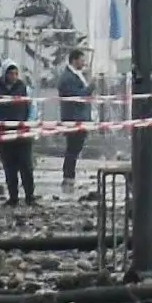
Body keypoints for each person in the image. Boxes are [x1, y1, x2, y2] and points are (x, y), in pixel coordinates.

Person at [0, 61, 36, 206]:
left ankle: (30, 196)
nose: (13, 76)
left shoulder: (24, 88)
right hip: (4, 134)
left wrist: (29, 124)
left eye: (16, 73)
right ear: (5, 74)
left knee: (26, 166)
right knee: (9, 167)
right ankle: (13, 197)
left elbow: (32, 108)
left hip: (22, 134)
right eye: (10, 73)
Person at [55, 48, 93, 194]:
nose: (84, 63)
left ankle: (70, 175)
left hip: (80, 119)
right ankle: (68, 176)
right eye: (82, 59)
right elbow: (77, 97)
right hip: (74, 119)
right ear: (74, 60)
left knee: (75, 149)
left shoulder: (76, 76)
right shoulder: (68, 78)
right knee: (72, 149)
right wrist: (91, 87)